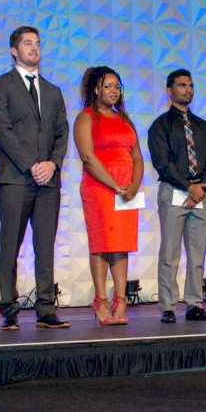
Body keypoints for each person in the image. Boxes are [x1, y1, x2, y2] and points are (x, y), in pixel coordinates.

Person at [0, 26, 71, 330]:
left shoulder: (53, 91)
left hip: (49, 180)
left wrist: (52, 163)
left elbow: (63, 132)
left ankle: (46, 309)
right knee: (10, 245)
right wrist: (31, 165)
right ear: (14, 50)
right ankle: (9, 309)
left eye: (37, 43)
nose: (34, 48)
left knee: (45, 246)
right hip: (15, 178)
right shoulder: (0, 85)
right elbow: (2, 129)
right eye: (27, 43)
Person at [147, 69, 206, 323]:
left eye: (190, 86)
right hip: (174, 191)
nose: (187, 90)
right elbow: (162, 163)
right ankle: (168, 307)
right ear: (169, 91)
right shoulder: (159, 125)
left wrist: (201, 185)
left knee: (198, 254)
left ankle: (194, 304)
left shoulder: (202, 125)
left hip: (199, 194)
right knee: (170, 253)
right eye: (181, 86)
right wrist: (188, 187)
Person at [74, 66, 144, 326]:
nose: (113, 91)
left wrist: (134, 185)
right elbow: (87, 157)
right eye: (107, 86)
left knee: (121, 244)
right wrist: (116, 186)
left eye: (117, 86)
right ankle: (101, 300)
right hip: (100, 188)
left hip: (127, 191)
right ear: (95, 89)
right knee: (102, 243)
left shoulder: (125, 118)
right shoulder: (86, 117)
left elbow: (137, 157)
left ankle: (121, 300)